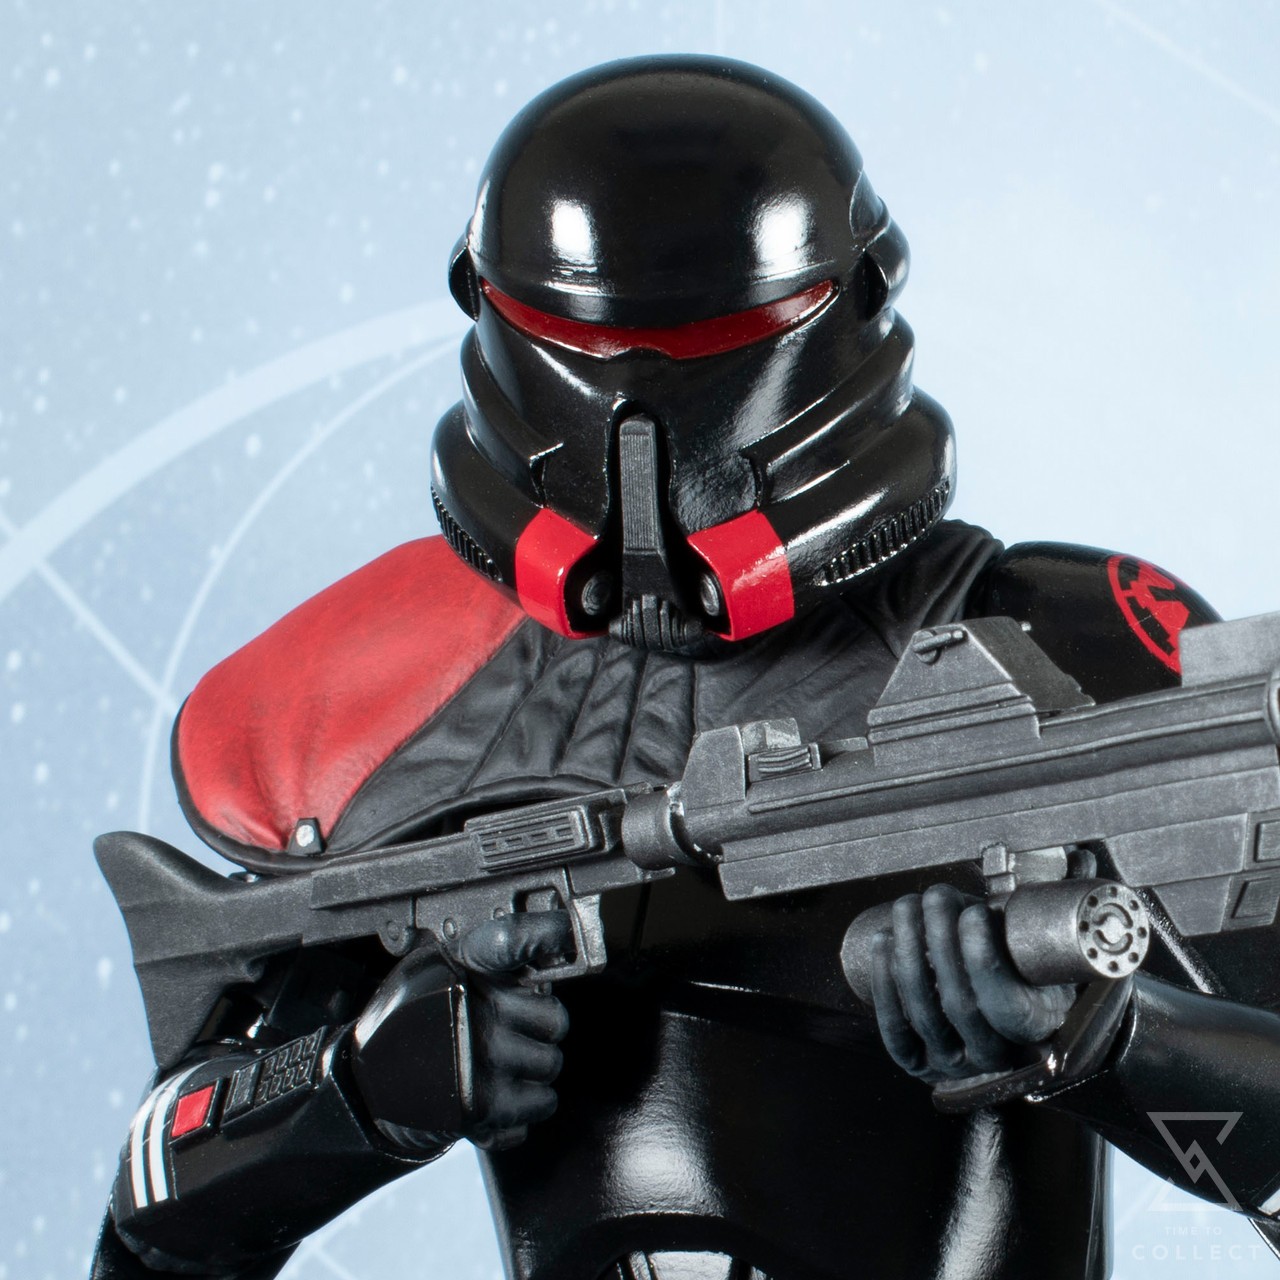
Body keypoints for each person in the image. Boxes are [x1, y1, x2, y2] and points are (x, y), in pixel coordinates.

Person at [91, 55, 1280, 1280]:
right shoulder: (395, 705)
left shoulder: (1061, 655)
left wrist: (1111, 1042)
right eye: (586, 337)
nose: (639, 411)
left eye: (717, 331)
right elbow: (152, 1221)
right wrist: (348, 1090)